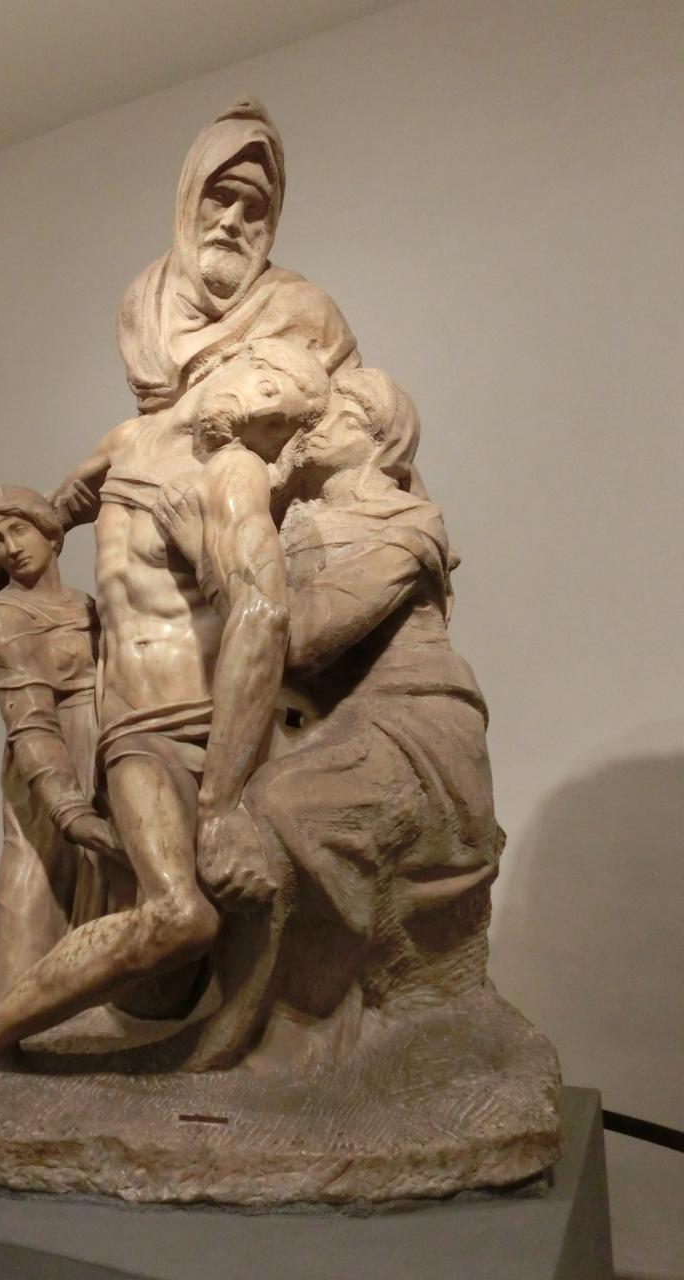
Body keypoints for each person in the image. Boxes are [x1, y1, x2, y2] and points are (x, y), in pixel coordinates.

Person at [0, 338, 331, 1125]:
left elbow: (261, 613)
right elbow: (50, 515)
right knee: (179, 916)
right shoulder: (125, 443)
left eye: (279, 421)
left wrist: (222, 801)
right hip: (137, 730)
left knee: (196, 935)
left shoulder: (232, 472)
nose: (262, 420)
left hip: (215, 724)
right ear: (242, 362)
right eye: (270, 393)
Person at [153, 368, 503, 1070]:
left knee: (283, 808)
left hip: (414, 720)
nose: (315, 422)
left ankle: (296, 1022)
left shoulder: (409, 526)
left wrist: (203, 552)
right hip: (331, 722)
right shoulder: (292, 517)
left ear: (378, 436)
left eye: (338, 412)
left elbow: (301, 639)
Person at [0, 486, 128, 999]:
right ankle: (8, 1025)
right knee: (32, 892)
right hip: (49, 769)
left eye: (19, 529)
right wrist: (70, 811)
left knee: (105, 903)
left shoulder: (88, 606)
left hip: (103, 754)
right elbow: (31, 723)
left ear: (51, 534)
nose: (10, 547)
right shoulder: (7, 618)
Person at [116, 97, 361, 414]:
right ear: (190, 198)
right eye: (221, 196)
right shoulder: (142, 304)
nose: (232, 222)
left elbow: (358, 419)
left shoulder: (306, 310)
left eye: (254, 209)